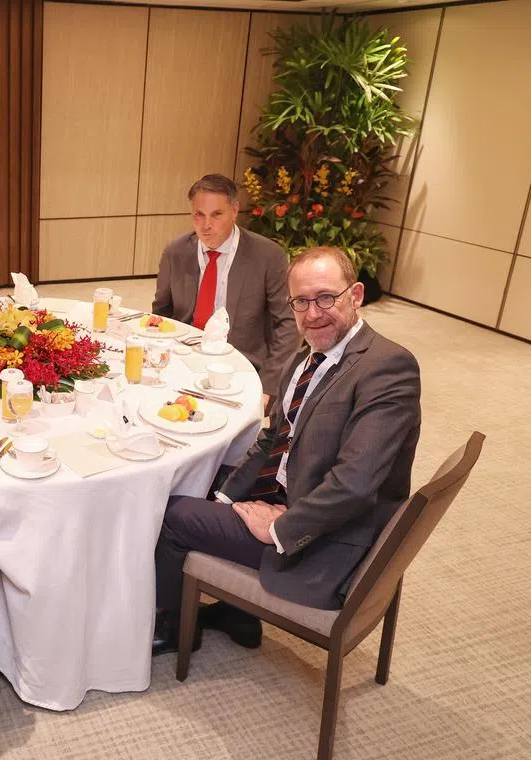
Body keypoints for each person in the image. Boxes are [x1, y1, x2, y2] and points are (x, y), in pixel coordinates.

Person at [152, 246, 421, 655]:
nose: (312, 313)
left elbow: (355, 484)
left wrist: (280, 527)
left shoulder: (388, 368)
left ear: (357, 295)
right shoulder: (310, 355)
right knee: (202, 479)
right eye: (301, 301)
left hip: (330, 539)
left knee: (173, 513)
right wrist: (224, 498)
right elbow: (273, 438)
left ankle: (171, 628)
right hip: (297, 487)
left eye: (326, 298)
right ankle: (237, 611)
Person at [152, 174, 300, 405]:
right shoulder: (176, 252)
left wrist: (269, 386)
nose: (206, 225)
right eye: (199, 215)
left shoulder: (268, 256)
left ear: (234, 210)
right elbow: (162, 312)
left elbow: (289, 324)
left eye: (216, 215)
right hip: (184, 359)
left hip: (242, 365)